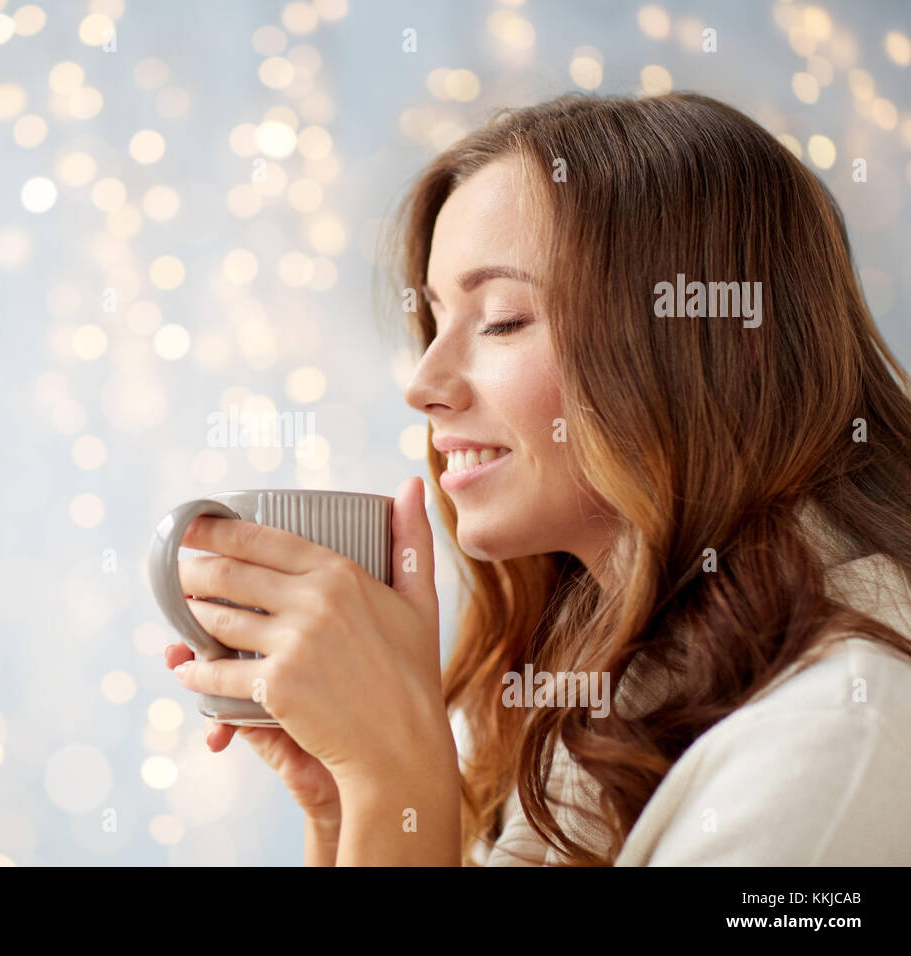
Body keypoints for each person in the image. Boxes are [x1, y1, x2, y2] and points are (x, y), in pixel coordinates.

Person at [164, 92, 911, 865]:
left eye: (502, 320)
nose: (423, 382)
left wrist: (396, 782)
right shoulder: (586, 710)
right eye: (434, 318)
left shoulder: (841, 737)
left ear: (719, 341)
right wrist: (351, 807)